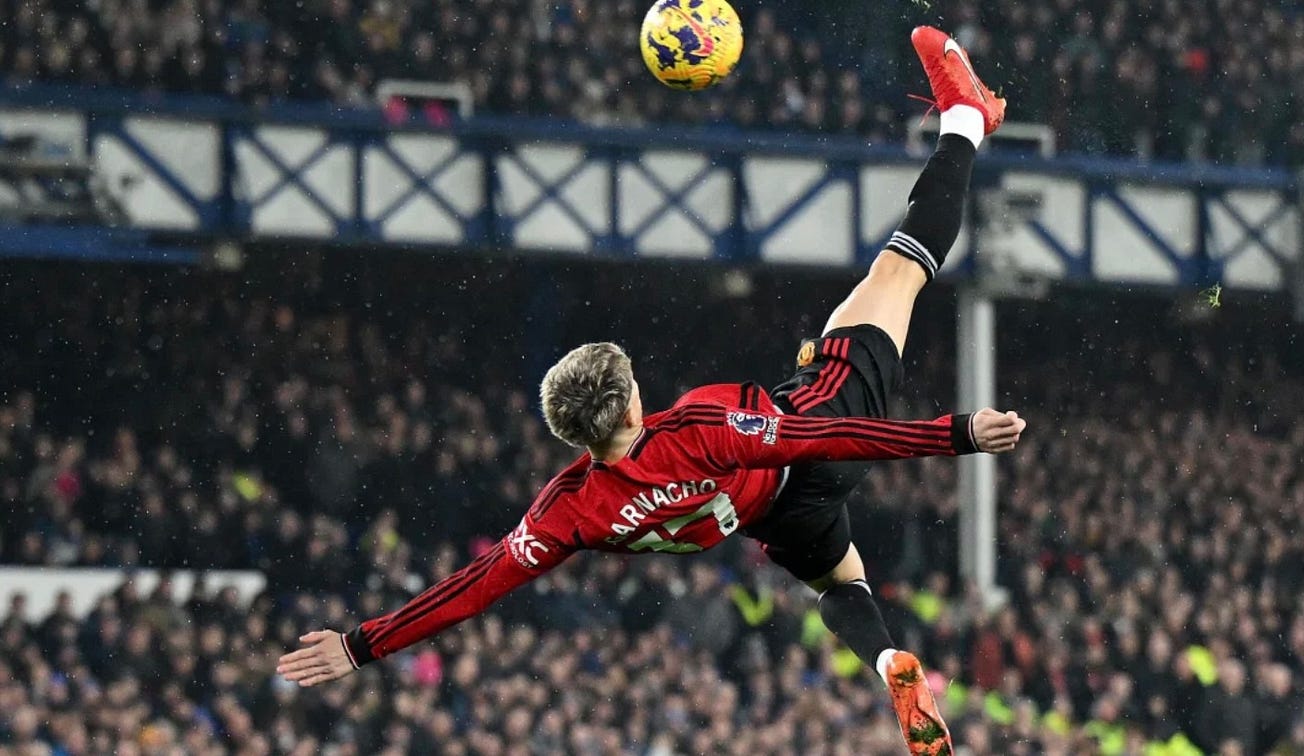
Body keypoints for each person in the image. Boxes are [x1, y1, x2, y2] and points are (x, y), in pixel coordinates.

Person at [278, 25, 1013, 756]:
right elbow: (822, 437)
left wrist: (362, 644)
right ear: (632, 400)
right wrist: (954, 434)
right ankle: (965, 118)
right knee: (901, 269)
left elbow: (474, 587)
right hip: (813, 435)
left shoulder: (569, 509)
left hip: (777, 519)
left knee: (839, 583)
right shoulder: (697, 426)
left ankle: (889, 662)